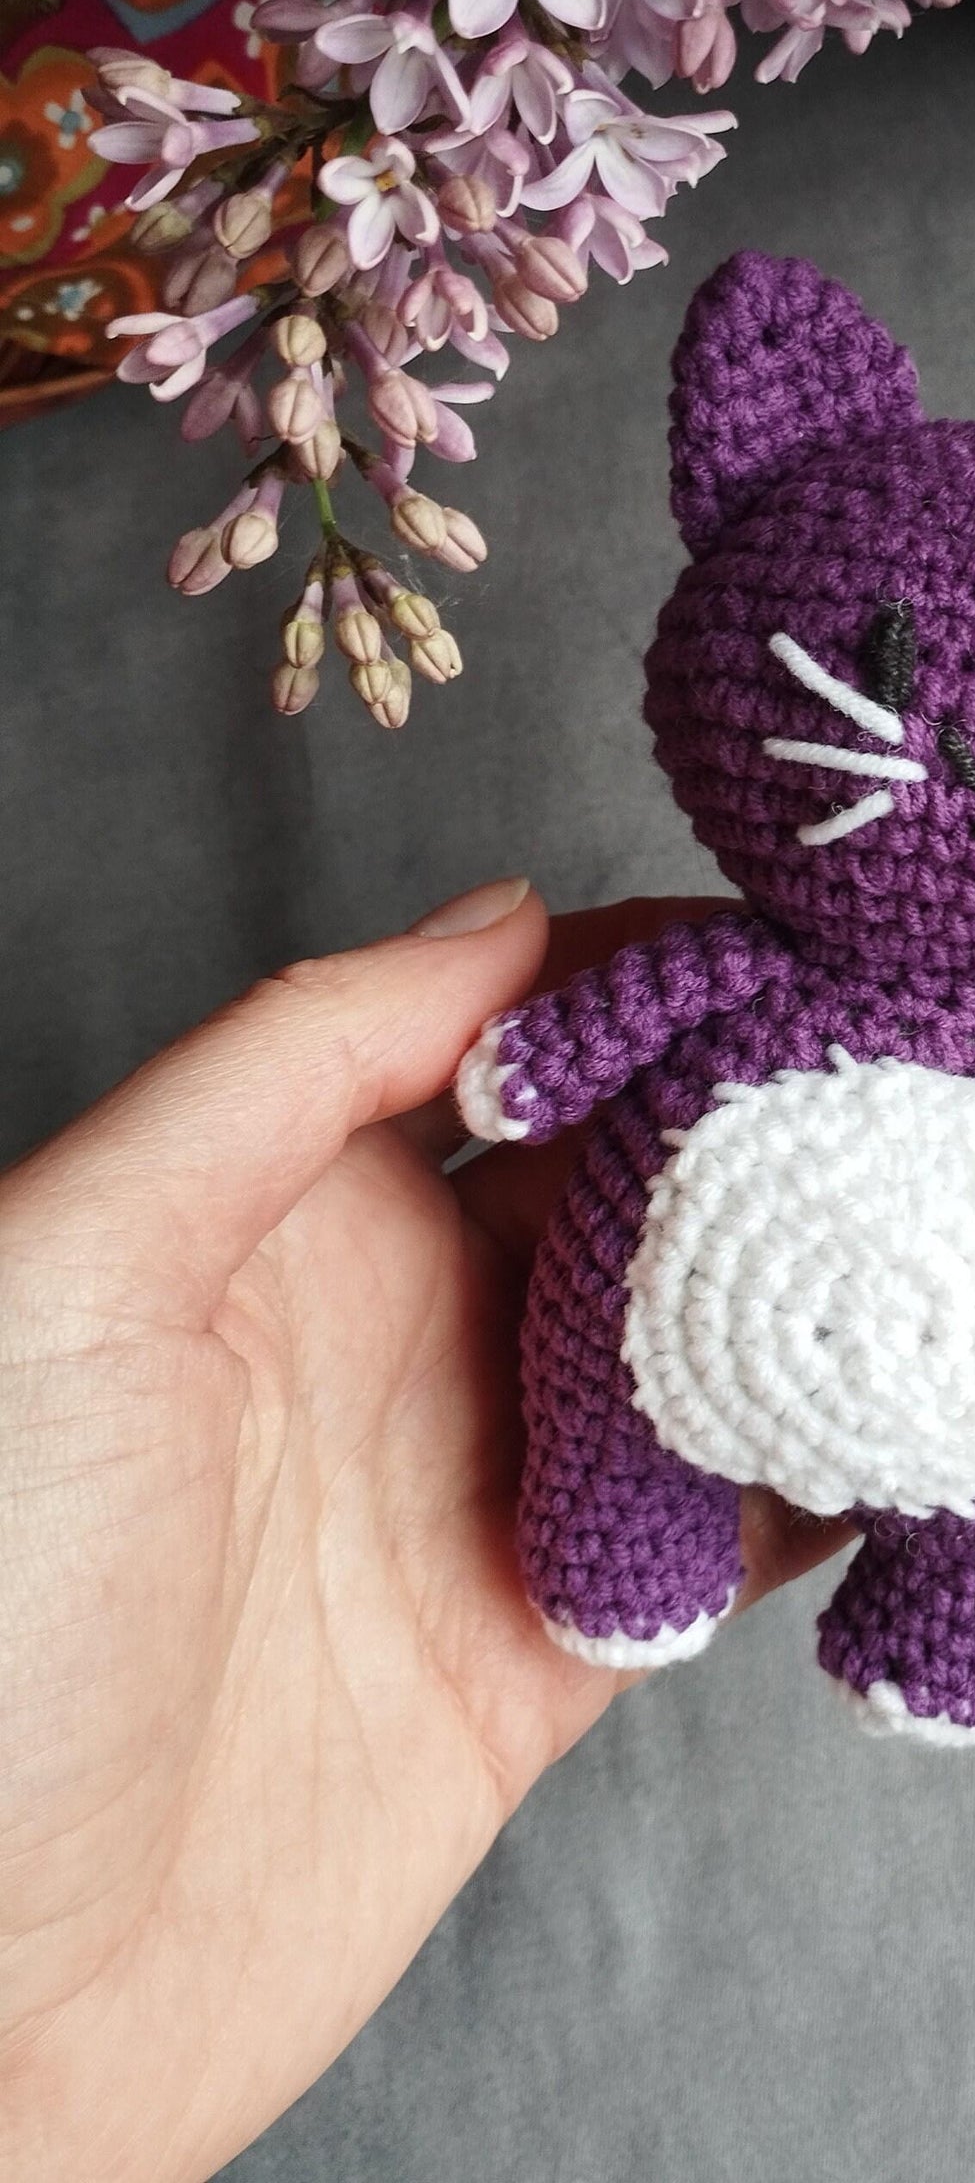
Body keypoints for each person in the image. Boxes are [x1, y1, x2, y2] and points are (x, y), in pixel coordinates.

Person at [0, 879, 849, 2183]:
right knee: (607, 1383)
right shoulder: (741, 968)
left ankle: (949, 1612)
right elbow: (595, 1034)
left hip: (929, 1316)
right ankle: (629, 1567)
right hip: (664, 1307)